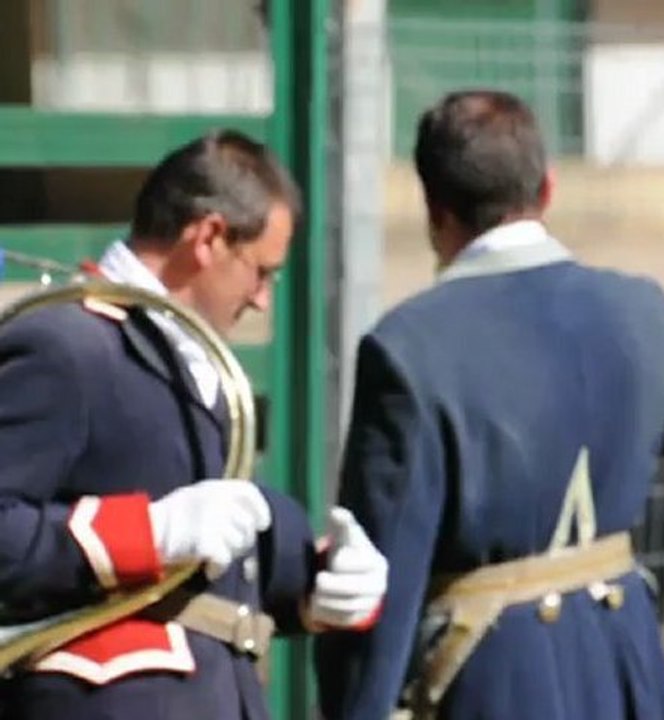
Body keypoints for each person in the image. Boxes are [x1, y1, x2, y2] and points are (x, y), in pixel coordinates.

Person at [314, 90, 664, 720]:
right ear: (548, 189)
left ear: (433, 208)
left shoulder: (409, 348)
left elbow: (381, 579)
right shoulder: (639, 308)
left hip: (493, 680)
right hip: (624, 665)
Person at [0, 130, 387, 720]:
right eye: (261, 271)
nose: (261, 299)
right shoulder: (67, 346)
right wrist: (148, 532)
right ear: (207, 237)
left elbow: (210, 572)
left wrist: (322, 581)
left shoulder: (193, 360)